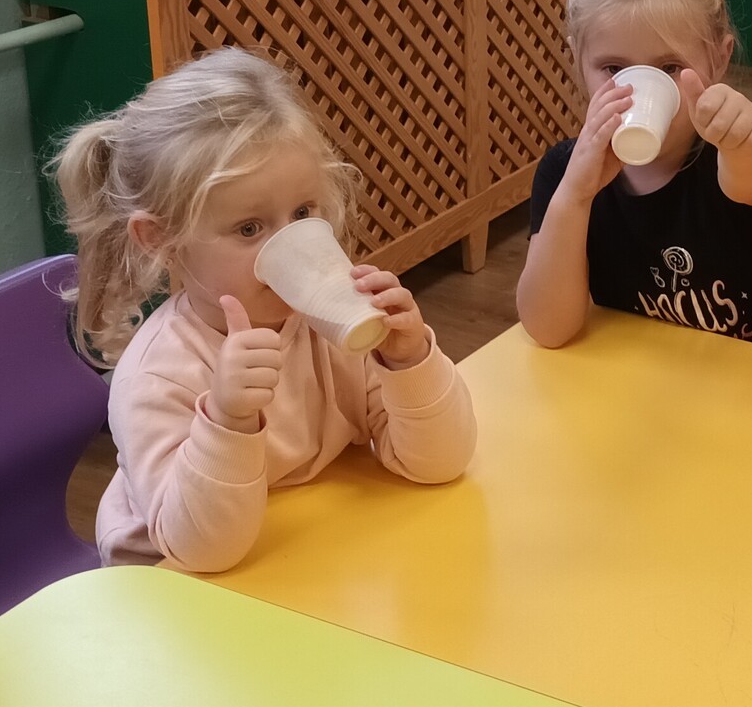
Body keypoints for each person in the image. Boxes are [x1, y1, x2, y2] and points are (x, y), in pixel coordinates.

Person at [55, 48, 475, 572]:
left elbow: (440, 463)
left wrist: (409, 361)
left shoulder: (330, 330)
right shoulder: (158, 376)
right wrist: (228, 421)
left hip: (303, 552)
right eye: (249, 229)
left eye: (302, 212)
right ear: (160, 240)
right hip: (174, 588)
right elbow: (204, 551)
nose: (291, 242)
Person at [519, 0, 752, 359]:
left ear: (718, 59)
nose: (636, 90)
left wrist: (746, 141)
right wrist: (575, 195)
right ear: (577, 60)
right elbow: (548, 328)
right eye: (613, 69)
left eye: (668, 67)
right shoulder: (565, 174)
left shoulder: (731, 153)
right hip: (662, 382)